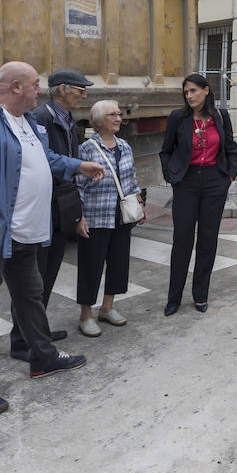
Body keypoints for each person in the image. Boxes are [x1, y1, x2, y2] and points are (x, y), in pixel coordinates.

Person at [0, 61, 107, 414]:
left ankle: (42, 358)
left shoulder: (28, 122)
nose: (40, 91)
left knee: (30, 296)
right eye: (35, 85)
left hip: (22, 233)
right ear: (17, 86)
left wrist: (79, 166)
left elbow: (45, 159)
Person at [7, 67, 90, 355]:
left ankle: (36, 329)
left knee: (49, 271)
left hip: (61, 205)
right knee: (34, 277)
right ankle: (21, 340)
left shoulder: (67, 119)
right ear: (64, 89)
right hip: (42, 205)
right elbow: (44, 161)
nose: (84, 95)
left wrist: (77, 211)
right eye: (81, 90)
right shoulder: (40, 118)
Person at [159, 73, 237, 316]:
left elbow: (231, 148)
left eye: (193, 90)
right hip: (186, 183)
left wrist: (230, 175)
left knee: (207, 240)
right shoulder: (178, 118)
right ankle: (173, 298)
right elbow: (166, 151)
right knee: (182, 240)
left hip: (215, 182)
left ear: (206, 91)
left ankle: (200, 295)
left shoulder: (221, 116)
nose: (189, 96)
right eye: (186, 92)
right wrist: (171, 176)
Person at [75, 99, 142, 334]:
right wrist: (79, 217)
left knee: (118, 262)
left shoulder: (124, 145)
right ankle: (86, 315)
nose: (118, 118)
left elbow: (131, 179)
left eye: (118, 114)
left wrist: (138, 204)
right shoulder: (87, 149)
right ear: (99, 120)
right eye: (112, 114)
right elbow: (78, 186)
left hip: (121, 215)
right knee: (91, 265)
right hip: (96, 215)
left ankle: (107, 307)